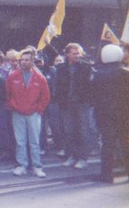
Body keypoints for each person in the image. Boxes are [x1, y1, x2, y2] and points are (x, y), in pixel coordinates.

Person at [6, 49, 50, 178]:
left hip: (33, 113)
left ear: (32, 61)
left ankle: (36, 166)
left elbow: (45, 96)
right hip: (17, 113)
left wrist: (39, 109)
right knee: (20, 141)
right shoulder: (12, 76)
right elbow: (7, 94)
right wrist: (13, 106)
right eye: (22, 60)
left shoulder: (39, 77)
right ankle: (21, 165)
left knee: (34, 141)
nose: (24, 62)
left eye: (27, 60)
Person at [92, 44, 129, 183]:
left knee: (107, 144)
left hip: (103, 114)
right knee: (125, 142)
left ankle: (106, 175)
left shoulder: (97, 74)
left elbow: (91, 95)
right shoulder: (125, 73)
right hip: (124, 114)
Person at [55, 43, 93, 170]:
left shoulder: (87, 67)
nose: (77, 55)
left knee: (83, 131)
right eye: (74, 53)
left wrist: (88, 100)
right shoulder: (60, 68)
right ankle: (71, 156)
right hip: (66, 104)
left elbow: (90, 86)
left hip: (82, 104)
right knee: (68, 131)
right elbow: (57, 86)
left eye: (78, 53)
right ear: (67, 54)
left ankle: (83, 158)